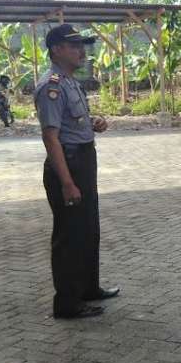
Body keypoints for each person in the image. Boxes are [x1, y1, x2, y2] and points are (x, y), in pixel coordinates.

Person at [35, 24, 119, 319]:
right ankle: (67, 303)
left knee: (88, 229)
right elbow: (51, 137)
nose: (82, 51)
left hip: (84, 160)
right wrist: (67, 182)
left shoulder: (71, 82)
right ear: (57, 49)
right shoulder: (52, 86)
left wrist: (93, 122)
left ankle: (88, 288)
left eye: (82, 45)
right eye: (74, 46)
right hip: (68, 165)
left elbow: (72, 123)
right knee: (70, 235)